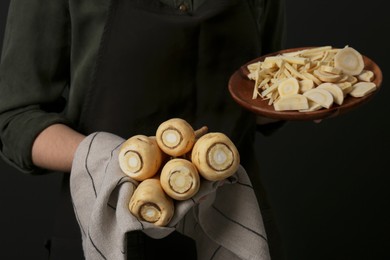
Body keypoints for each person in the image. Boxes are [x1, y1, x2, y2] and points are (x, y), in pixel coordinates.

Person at [0, 0, 286, 259]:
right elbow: (15, 117)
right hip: (109, 231)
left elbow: (262, 95)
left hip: (236, 229)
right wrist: (115, 158)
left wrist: (308, 96)